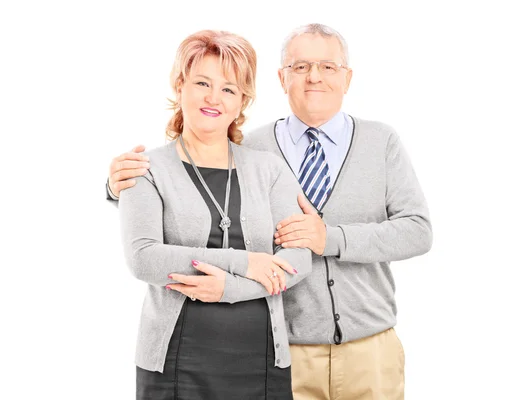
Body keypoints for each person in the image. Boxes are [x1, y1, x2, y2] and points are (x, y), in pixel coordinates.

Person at [109, 24, 432, 400]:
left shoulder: (374, 143)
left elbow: (416, 231)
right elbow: (156, 226)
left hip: (358, 346)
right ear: (281, 78)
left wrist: (329, 239)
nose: (314, 77)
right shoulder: (257, 146)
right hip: (282, 345)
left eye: (328, 67)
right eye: (300, 67)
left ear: (347, 78)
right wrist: (117, 187)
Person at [116, 29, 312, 399]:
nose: (213, 98)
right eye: (202, 82)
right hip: (176, 363)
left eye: (228, 89)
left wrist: (232, 287)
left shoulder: (269, 169)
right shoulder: (145, 168)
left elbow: (298, 259)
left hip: (263, 361)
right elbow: (144, 258)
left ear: (242, 101)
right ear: (180, 85)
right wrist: (248, 261)